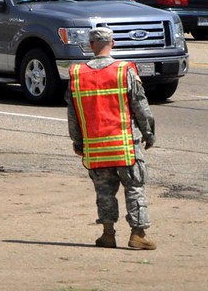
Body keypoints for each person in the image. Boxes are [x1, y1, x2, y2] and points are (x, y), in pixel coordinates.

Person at [66, 26, 157, 250]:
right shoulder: (123, 70)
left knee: (104, 192)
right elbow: (140, 106)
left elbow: (73, 114)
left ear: (90, 45)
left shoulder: (77, 74)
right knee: (135, 188)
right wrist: (149, 133)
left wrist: (78, 142)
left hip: (97, 147)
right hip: (126, 144)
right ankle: (138, 234)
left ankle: (107, 234)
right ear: (112, 43)